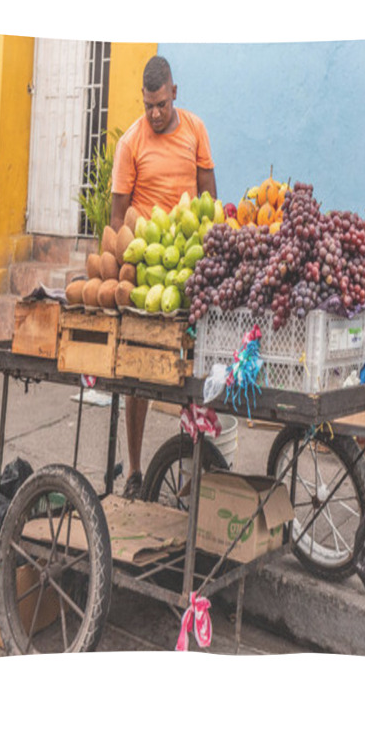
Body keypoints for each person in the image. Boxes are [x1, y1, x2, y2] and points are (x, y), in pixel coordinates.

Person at [109, 55, 216, 499]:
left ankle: (192, 469)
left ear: (175, 91)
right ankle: (134, 470)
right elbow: (118, 222)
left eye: (160, 103)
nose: (154, 113)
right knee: (139, 374)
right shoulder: (131, 144)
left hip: (188, 268)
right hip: (151, 271)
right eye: (147, 105)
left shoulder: (195, 130)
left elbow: (211, 197)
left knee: (196, 373)